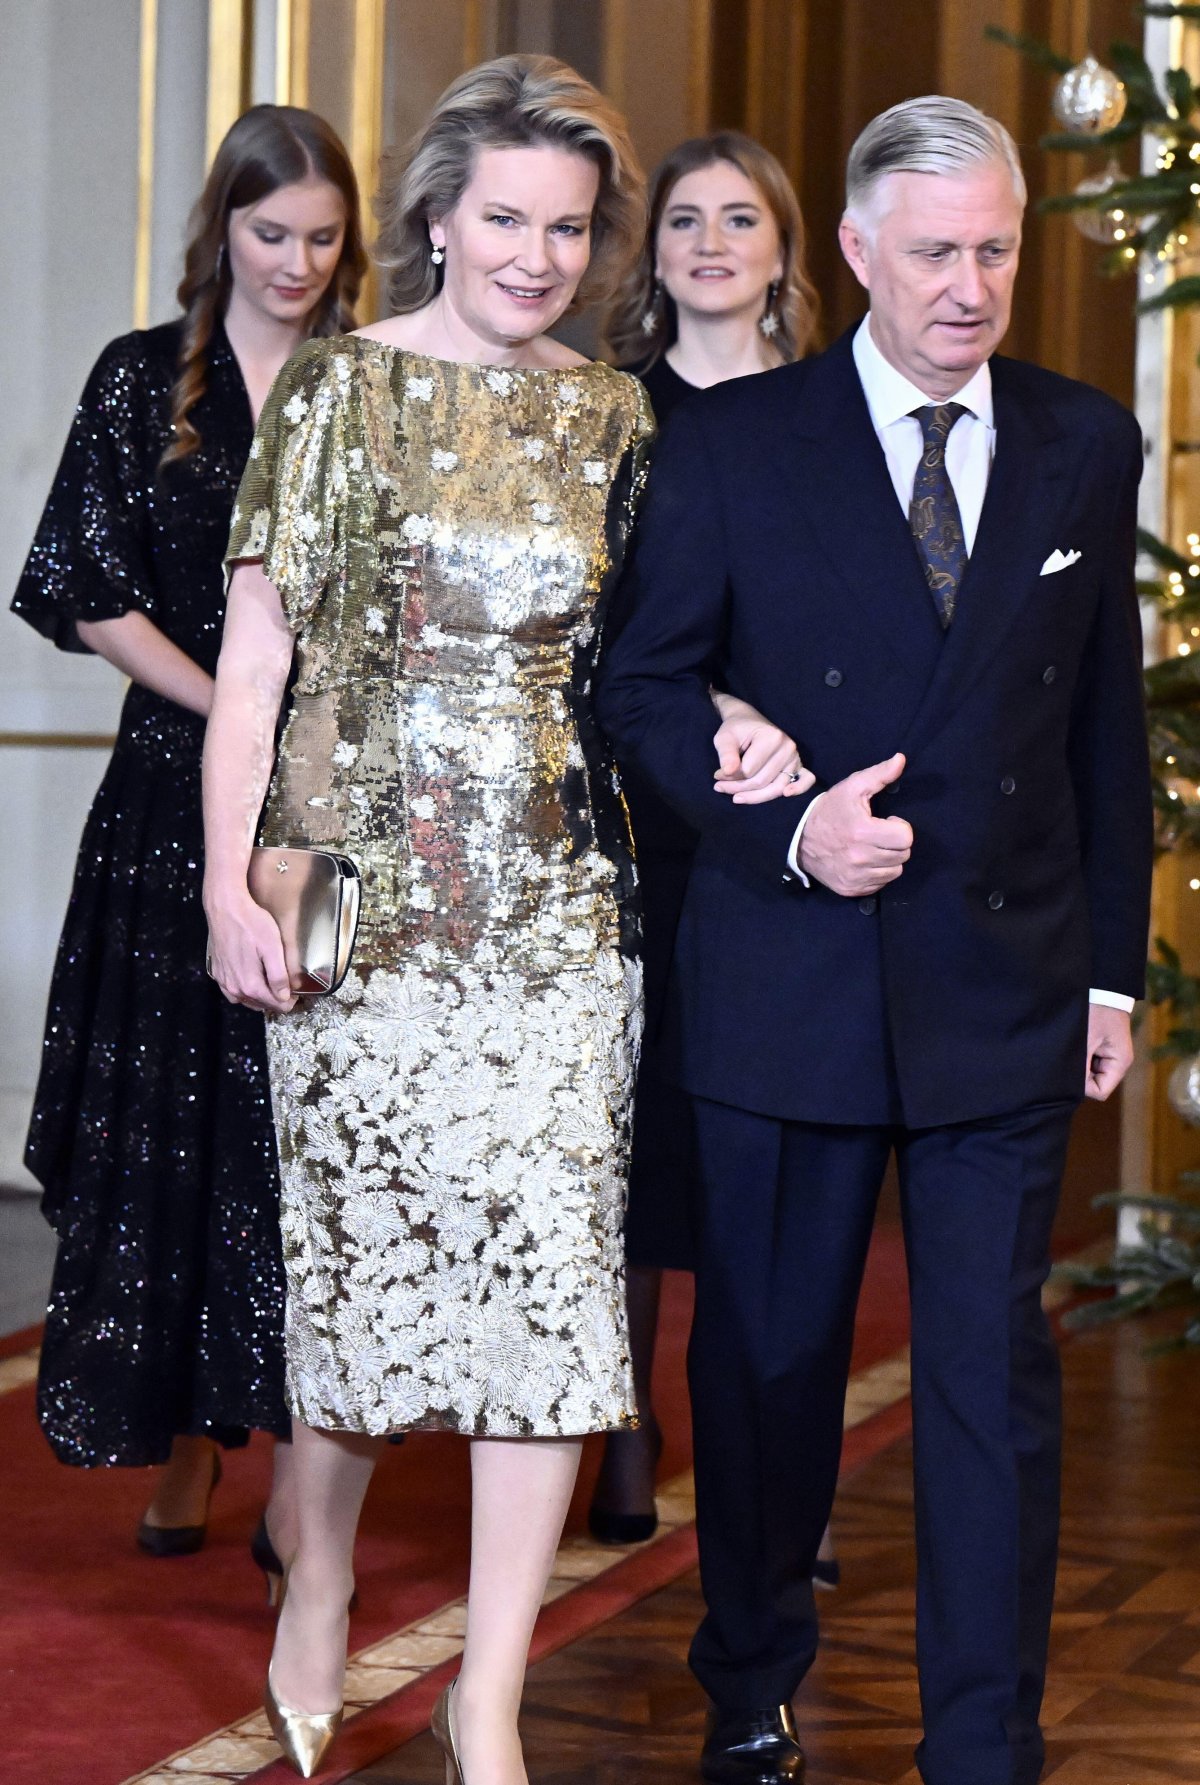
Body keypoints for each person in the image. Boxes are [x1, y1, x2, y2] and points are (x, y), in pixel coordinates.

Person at [202, 54, 800, 1784]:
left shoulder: (613, 415)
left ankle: (491, 1698)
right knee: (363, 1295)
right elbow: (257, 666)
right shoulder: (339, 389)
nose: (539, 256)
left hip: (559, 907)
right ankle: (315, 1574)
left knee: (550, 1303)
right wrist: (233, 875)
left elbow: (649, 664)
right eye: (506, 222)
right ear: (440, 223)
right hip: (362, 897)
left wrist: (741, 725)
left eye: (567, 227)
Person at [598, 95, 1152, 1785]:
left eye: (996, 249)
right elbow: (637, 686)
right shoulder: (731, 442)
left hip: (1006, 983)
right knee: (772, 1361)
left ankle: (982, 1743)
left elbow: (1102, 735)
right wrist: (782, 823)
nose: (971, 286)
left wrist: (1112, 969)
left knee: (990, 1369)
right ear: (854, 254)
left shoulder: (1079, 438)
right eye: (934, 254)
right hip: (789, 969)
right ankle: (752, 1674)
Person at [10, 106, 365, 1578]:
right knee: (180, 1128)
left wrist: (303, 723)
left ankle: (291, 1467)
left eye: (323, 238)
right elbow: (85, 587)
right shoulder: (137, 377)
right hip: (172, 792)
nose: (295, 261)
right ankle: (188, 1446)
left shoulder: (377, 385)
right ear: (221, 227)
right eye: (270, 233)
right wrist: (238, 702)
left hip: (338, 795)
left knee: (297, 1136)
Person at [590, 132, 823, 1555]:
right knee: (629, 1135)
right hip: (640, 812)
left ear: (790, 249)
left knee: (769, 1155)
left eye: (743, 218)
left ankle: (771, 1466)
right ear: (655, 247)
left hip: (795, 816)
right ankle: (623, 1428)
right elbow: (596, 621)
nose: (714, 241)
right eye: (687, 218)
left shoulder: (833, 415)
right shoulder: (611, 411)